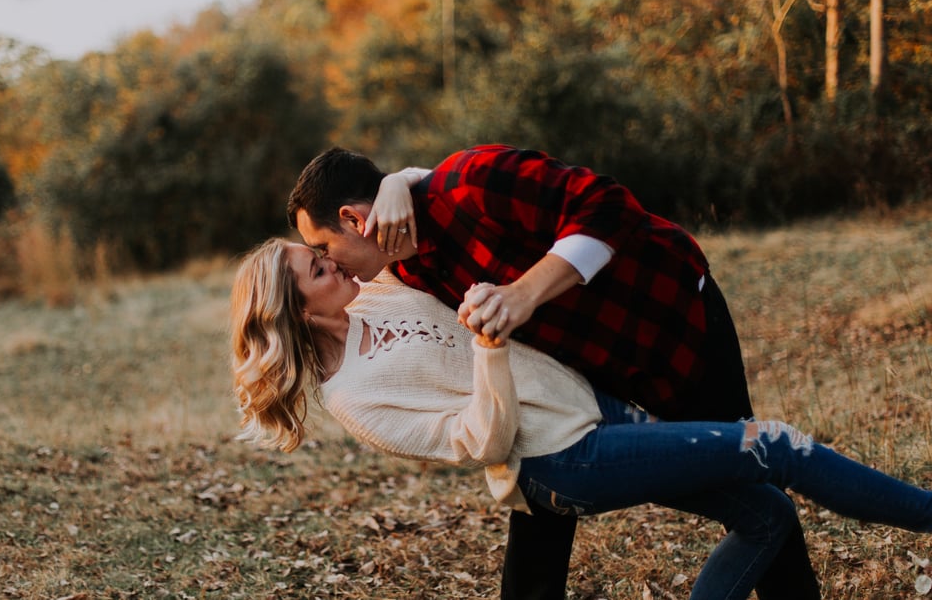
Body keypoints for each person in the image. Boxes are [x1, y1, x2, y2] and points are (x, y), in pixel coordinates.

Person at [229, 238, 932, 600]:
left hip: (594, 404)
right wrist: (488, 348)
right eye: (317, 269)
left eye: (320, 252)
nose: (331, 263)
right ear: (298, 313)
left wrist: (391, 186)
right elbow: (483, 439)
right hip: (563, 460)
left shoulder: (376, 293)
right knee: (777, 446)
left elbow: (398, 223)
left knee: (767, 515)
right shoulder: (356, 396)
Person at [286, 145, 821, 599]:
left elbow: (609, 205)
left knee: (750, 472)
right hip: (582, 373)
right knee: (542, 488)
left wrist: (522, 295)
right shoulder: (397, 269)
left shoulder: (472, 180)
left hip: (669, 320)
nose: (329, 262)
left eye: (323, 248)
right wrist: (403, 180)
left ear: (355, 220)